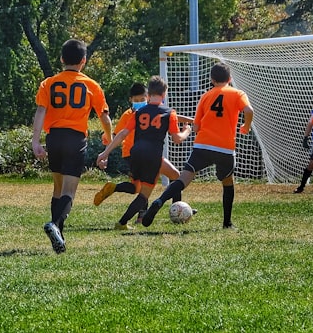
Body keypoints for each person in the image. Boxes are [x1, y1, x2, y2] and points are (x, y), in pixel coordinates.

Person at [142, 62, 254, 229]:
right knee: (227, 182)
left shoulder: (205, 96)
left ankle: (160, 200)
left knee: (184, 178)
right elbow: (249, 110)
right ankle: (227, 223)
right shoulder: (238, 93)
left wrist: (191, 128)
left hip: (202, 145)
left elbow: (196, 126)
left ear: (212, 80)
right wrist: (246, 126)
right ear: (230, 79)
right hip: (224, 148)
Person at [31, 39, 113, 253]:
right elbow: (104, 117)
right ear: (83, 61)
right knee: (69, 190)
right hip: (75, 139)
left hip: (54, 138)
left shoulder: (48, 83)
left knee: (58, 188)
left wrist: (35, 141)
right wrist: (108, 137)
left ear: (61, 59)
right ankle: (55, 224)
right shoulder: (91, 85)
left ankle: (59, 237)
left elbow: (40, 111)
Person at [96, 76, 192, 229]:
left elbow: (122, 134)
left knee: (167, 178)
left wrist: (105, 153)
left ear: (149, 94)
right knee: (144, 194)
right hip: (152, 155)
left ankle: (176, 208)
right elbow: (177, 139)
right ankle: (123, 222)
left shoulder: (138, 112)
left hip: (135, 154)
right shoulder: (169, 113)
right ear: (164, 94)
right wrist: (187, 130)